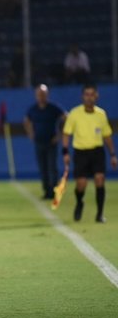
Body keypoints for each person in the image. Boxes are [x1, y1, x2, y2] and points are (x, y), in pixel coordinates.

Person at [62, 84, 117, 222]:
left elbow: (107, 135)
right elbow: (66, 133)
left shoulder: (101, 114)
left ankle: (99, 214)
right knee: (81, 184)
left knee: (99, 179)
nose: (89, 97)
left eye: (92, 94)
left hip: (97, 152)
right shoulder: (75, 113)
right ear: (82, 96)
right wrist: (65, 152)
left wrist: (112, 155)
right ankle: (79, 202)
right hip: (81, 152)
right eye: (87, 94)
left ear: (96, 96)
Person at [23, 84, 67, 199]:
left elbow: (66, 117)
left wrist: (60, 135)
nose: (41, 97)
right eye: (39, 94)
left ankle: (54, 191)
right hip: (39, 142)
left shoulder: (53, 108)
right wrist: (31, 133)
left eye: (43, 94)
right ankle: (46, 191)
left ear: (47, 95)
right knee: (43, 168)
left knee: (52, 167)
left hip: (51, 142)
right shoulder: (33, 109)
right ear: (36, 95)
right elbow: (26, 121)